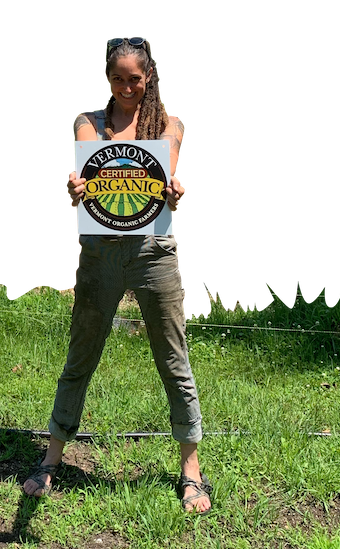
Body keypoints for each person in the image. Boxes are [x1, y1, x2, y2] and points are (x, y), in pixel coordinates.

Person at [22, 35, 211, 513]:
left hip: (154, 253)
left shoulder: (170, 124)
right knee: (80, 357)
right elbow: (83, 171)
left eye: (135, 79)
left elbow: (168, 170)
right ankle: (51, 459)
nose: (127, 87)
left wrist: (175, 193)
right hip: (101, 254)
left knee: (174, 360)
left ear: (149, 79)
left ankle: (191, 469)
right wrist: (74, 189)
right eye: (118, 79)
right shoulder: (89, 123)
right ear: (107, 79)